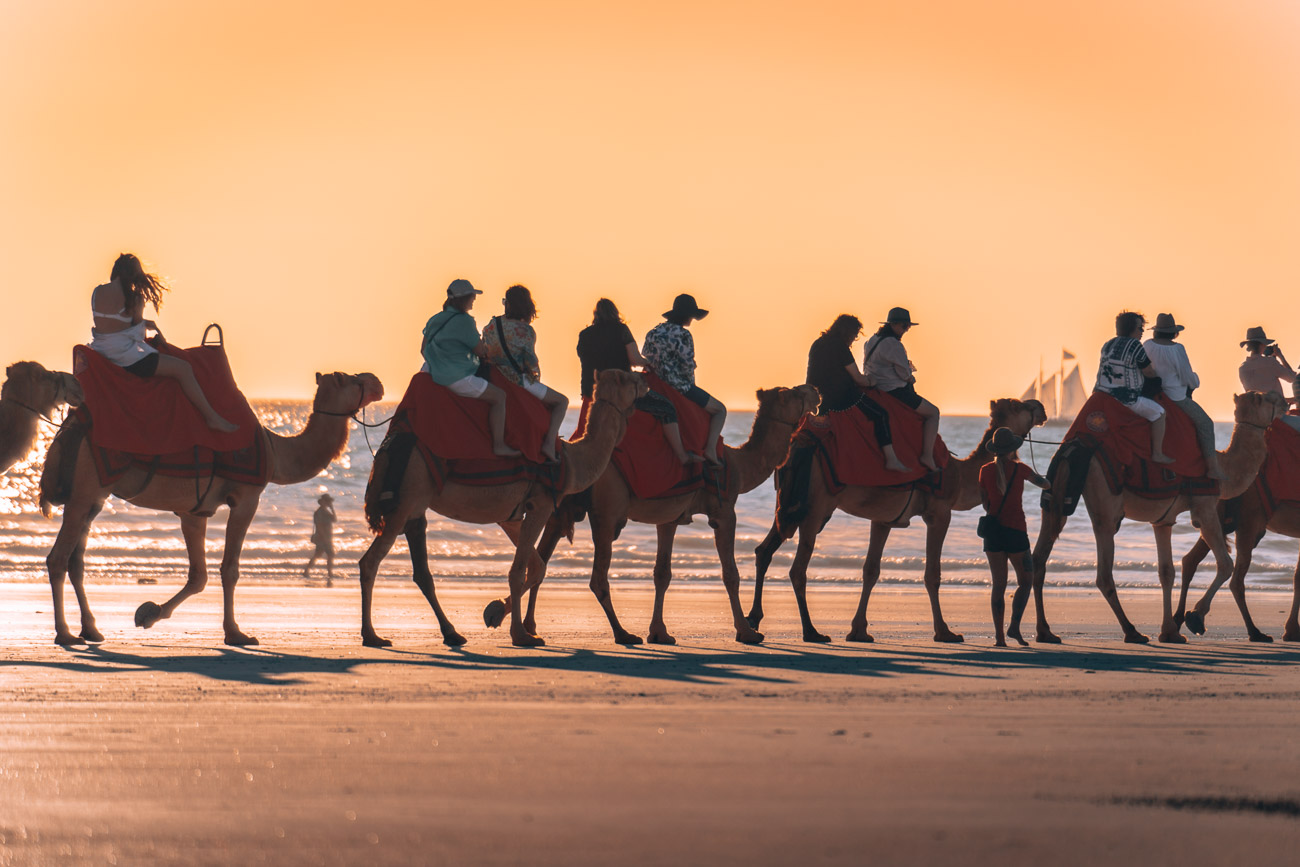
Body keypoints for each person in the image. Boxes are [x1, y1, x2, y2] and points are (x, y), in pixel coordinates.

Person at [89, 253, 237, 432]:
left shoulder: (97, 291)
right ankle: (212, 418)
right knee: (184, 369)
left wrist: (143, 324)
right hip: (126, 358)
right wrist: (147, 327)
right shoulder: (134, 298)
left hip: (100, 352)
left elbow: (112, 326)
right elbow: (138, 335)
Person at [576, 299, 695, 464]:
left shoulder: (584, 335)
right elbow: (635, 359)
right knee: (667, 408)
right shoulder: (621, 330)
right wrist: (647, 363)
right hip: (621, 395)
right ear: (615, 313)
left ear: (595, 315)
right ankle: (682, 456)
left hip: (592, 395)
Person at [421, 278, 520, 458]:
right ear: (464, 299)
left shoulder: (434, 319)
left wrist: (440, 362)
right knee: (500, 397)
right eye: (472, 297)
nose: (474, 300)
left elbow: (423, 349)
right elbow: (480, 351)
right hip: (456, 377)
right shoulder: (465, 321)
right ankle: (499, 445)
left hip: (430, 373)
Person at [806, 314, 910, 473]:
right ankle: (891, 459)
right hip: (841, 397)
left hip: (817, 398)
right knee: (881, 414)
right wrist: (871, 381)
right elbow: (858, 378)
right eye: (855, 336)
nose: (854, 340)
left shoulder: (817, 343)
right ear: (848, 332)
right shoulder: (840, 346)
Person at [978, 427, 1050, 647]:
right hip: (1016, 532)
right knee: (1026, 581)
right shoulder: (1020, 469)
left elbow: (985, 502)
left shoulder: (985, 470)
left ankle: (1000, 638)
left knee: (998, 585)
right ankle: (1014, 627)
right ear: (1013, 449)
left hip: (993, 534)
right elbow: (1045, 484)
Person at [481, 285, 567, 462]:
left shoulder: (491, 325)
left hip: (493, 377)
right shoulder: (526, 331)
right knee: (562, 401)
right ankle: (550, 444)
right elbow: (531, 364)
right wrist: (535, 377)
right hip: (517, 380)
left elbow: (484, 350)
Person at [642, 293, 726, 465]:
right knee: (720, 410)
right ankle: (710, 450)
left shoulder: (653, 332)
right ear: (688, 315)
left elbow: (645, 355)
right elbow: (687, 367)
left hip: (652, 384)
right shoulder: (683, 335)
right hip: (679, 386)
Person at [1143, 313, 1223, 479]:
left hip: (1151, 394)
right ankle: (1212, 468)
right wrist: (1196, 381)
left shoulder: (1148, 345)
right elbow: (1186, 376)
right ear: (1174, 332)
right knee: (1205, 423)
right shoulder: (1177, 349)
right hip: (1175, 396)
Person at [861, 307, 940, 471]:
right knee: (933, 413)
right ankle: (927, 455)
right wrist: (910, 376)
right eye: (905, 326)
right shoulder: (893, 345)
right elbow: (904, 374)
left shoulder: (871, 341)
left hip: (876, 389)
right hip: (895, 392)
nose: (906, 330)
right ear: (894, 325)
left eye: (908, 326)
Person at [1095, 311, 1173, 464]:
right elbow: (1148, 371)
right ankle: (1157, 453)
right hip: (1126, 399)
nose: (1142, 332)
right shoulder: (1135, 345)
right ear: (1131, 329)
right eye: (1140, 328)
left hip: (1102, 396)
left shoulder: (1107, 344)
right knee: (1160, 413)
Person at [1239, 326, 1295, 401]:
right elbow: (1292, 378)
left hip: (1256, 411)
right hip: (1276, 410)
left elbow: (1260, 396)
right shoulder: (1270, 363)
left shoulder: (1243, 368)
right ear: (1262, 344)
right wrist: (1280, 356)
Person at [303, 493, 337, 586]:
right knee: (329, 554)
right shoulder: (318, 512)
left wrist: (332, 508)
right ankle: (330, 573)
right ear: (323, 502)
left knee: (318, 555)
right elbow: (319, 525)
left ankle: (307, 571)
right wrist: (324, 538)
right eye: (328, 501)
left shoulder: (326, 511)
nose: (329, 503)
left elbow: (334, 519)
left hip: (327, 537)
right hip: (322, 537)